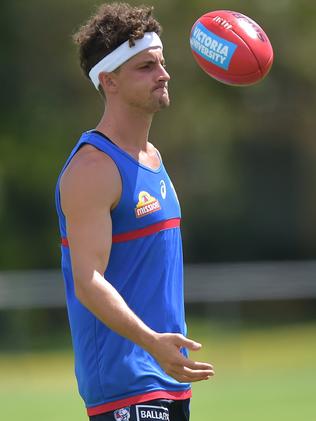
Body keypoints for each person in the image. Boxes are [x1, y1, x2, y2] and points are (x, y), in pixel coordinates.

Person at [55, 3, 214, 420]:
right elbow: (88, 282)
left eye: (161, 63)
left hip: (166, 377)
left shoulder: (153, 159)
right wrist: (152, 342)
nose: (163, 74)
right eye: (146, 66)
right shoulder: (93, 168)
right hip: (125, 385)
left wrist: (163, 351)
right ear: (108, 81)